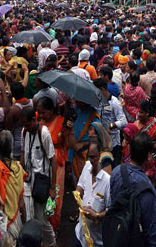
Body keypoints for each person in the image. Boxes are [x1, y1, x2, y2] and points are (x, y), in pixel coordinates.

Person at [109, 133, 156, 247]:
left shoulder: (116, 172)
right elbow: (151, 228)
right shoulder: (147, 188)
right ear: (148, 156)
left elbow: (112, 202)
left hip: (116, 236)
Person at [20, 105, 57, 246]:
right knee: (28, 216)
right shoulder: (24, 132)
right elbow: (23, 153)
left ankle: (51, 242)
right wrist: (21, 173)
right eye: (24, 125)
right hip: (28, 181)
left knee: (42, 219)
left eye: (28, 124)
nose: (26, 127)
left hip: (41, 182)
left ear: (34, 119)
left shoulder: (44, 133)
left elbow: (52, 159)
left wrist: (52, 187)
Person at [122, 100, 156, 197]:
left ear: (147, 113)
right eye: (138, 111)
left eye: (141, 112)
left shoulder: (155, 125)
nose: (138, 114)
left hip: (150, 161)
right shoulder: (136, 123)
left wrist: (144, 144)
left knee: (148, 186)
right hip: (135, 159)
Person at [37, 96, 67, 232]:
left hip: (57, 162)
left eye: (43, 112)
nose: (41, 115)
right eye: (40, 112)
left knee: (56, 193)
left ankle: (54, 226)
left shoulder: (62, 122)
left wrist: (67, 131)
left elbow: (65, 143)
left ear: (51, 110)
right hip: (42, 161)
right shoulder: (39, 122)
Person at [74, 141, 111, 247]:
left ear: (100, 155)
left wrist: (96, 215)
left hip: (96, 240)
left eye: (94, 157)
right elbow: (80, 184)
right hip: (80, 234)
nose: (92, 161)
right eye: (90, 157)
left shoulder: (107, 181)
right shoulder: (87, 166)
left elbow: (111, 209)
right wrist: (77, 193)